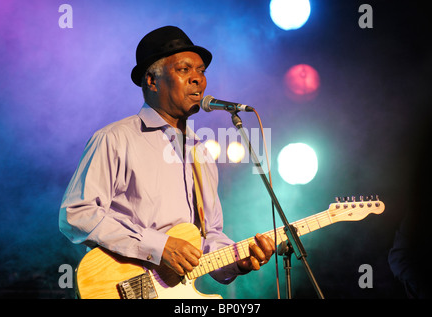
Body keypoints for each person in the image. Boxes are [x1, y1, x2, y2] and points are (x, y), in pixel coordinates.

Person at [59, 26, 275, 288]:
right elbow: (76, 214)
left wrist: (237, 261)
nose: (198, 79)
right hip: (122, 286)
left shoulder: (201, 152)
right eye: (185, 69)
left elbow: (209, 237)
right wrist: (158, 246)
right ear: (152, 81)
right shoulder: (115, 138)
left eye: (201, 71)